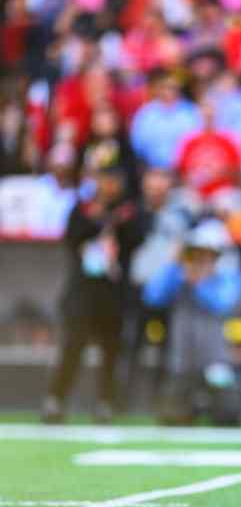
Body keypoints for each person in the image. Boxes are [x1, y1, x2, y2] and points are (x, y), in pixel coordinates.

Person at [42, 165, 145, 424]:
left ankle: (105, 402)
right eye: (104, 180)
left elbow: (138, 237)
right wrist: (96, 222)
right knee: (72, 347)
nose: (109, 186)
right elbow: (70, 239)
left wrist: (114, 224)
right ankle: (56, 399)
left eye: (114, 180)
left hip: (113, 293)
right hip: (83, 292)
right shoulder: (83, 208)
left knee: (111, 351)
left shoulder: (129, 212)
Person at [143, 218, 241, 426]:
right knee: (173, 418)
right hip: (182, 363)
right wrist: (173, 264)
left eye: (206, 255)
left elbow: (222, 304)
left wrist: (200, 284)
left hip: (215, 360)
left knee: (228, 416)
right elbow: (152, 296)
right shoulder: (178, 275)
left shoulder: (227, 277)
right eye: (195, 254)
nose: (200, 260)